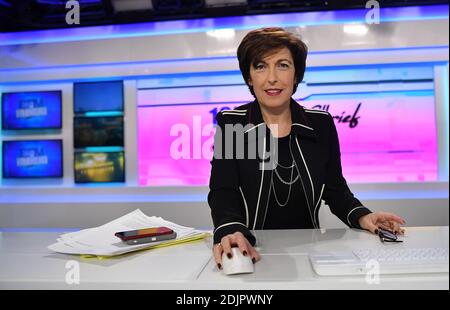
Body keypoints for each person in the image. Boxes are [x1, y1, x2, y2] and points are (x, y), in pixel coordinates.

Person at [207, 27, 405, 270]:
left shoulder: (320, 124)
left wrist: (363, 216)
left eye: (282, 65)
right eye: (260, 66)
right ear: (249, 77)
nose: (272, 78)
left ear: (296, 75)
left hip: (310, 253)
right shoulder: (233, 123)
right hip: (250, 250)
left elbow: (335, 190)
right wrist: (231, 231)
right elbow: (223, 192)